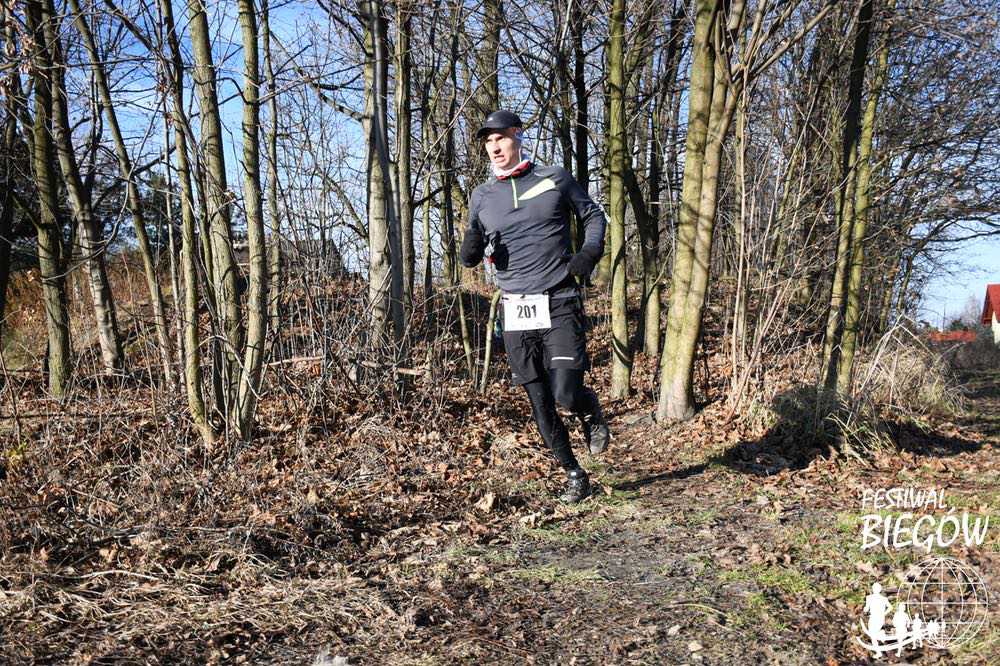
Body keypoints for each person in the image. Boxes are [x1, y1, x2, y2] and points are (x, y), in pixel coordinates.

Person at [459, 109, 610, 503]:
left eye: (500, 138)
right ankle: (575, 474)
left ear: (518, 136)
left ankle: (588, 407)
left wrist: (589, 252)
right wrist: (469, 250)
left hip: (557, 299)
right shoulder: (482, 196)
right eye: (488, 142)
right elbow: (473, 248)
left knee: (564, 393)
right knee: (539, 402)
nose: (494, 147)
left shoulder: (553, 178)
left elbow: (594, 216)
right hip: (515, 308)